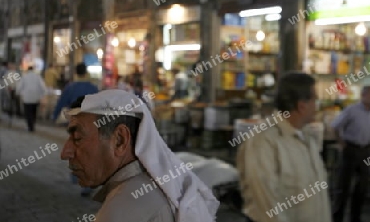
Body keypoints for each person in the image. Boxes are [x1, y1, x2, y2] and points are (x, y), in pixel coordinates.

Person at [60, 90, 219, 222]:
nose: (65, 153)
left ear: (120, 140)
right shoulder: (149, 188)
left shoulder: (125, 205)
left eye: (77, 138)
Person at [237, 72, 332, 222]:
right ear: (302, 105)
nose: (317, 106)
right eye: (315, 100)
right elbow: (265, 205)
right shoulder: (263, 141)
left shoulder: (306, 137)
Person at [331, 86, 370, 222]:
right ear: (363, 95)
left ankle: (355, 217)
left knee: (362, 187)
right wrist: (342, 143)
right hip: (351, 149)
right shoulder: (352, 110)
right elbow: (335, 126)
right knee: (343, 186)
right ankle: (337, 217)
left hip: (366, 150)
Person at [52, 62, 99, 197]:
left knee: (76, 149)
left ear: (76, 73)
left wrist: (54, 116)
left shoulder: (71, 87)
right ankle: (88, 184)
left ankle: (76, 176)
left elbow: (61, 102)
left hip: (75, 123)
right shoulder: (93, 87)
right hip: (91, 123)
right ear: (86, 73)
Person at [16, 66, 47, 132]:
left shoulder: (24, 77)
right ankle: (33, 124)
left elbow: (19, 86)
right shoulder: (38, 77)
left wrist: (17, 92)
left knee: (28, 112)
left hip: (26, 98)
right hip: (35, 98)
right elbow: (43, 87)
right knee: (34, 112)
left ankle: (30, 126)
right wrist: (42, 95)